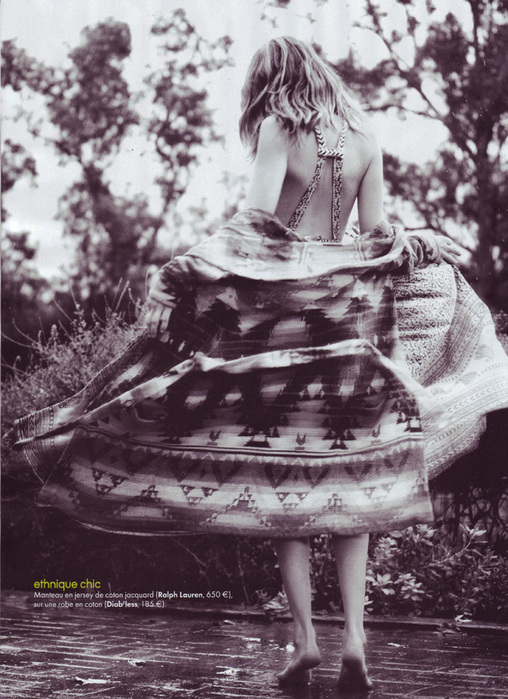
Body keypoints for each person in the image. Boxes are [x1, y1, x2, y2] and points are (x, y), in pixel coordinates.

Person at [14, 37, 508, 693]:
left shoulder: (281, 128)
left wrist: (178, 275)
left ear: (273, 82)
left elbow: (253, 230)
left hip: (281, 328)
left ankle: (305, 642)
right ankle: (355, 641)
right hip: (353, 326)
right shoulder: (365, 140)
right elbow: (375, 239)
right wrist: (418, 243)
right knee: (350, 486)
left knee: (285, 488)